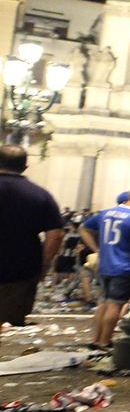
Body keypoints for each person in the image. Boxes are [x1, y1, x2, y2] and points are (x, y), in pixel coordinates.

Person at [0, 144, 64, 335]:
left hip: (21, 268)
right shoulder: (40, 195)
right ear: (25, 167)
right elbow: (56, 235)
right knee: (8, 326)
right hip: (21, 269)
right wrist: (43, 265)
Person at [80, 185, 130, 350]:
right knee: (116, 305)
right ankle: (105, 341)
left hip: (105, 264)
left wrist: (96, 249)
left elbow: (84, 228)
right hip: (125, 266)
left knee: (103, 303)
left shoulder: (106, 212)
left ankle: (95, 339)